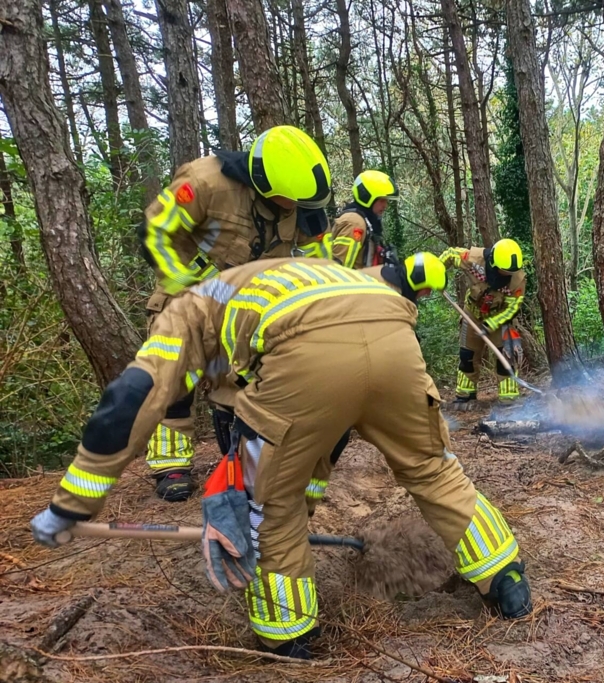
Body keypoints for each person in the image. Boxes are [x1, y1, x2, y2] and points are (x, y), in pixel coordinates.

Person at [29, 258, 533, 659]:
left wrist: (70, 505)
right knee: (433, 469)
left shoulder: (184, 311)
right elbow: (326, 404)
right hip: (393, 335)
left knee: (270, 503)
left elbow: (133, 400)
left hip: (304, 354)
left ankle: (286, 635)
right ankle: (503, 574)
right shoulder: (288, 273)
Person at [139, 126, 333, 502]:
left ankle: (236, 457)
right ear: (260, 179)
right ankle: (170, 464)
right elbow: (154, 234)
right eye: (284, 200)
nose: (290, 207)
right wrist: (196, 281)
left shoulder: (301, 201)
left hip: (247, 306)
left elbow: (316, 254)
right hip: (188, 294)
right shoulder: (205, 181)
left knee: (243, 379)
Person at [440, 239, 526, 405]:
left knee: (506, 356)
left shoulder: (518, 279)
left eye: (510, 272)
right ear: (493, 262)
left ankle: (508, 398)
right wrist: (436, 272)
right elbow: (450, 254)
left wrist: (491, 324)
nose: (507, 275)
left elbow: (514, 307)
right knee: (467, 356)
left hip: (501, 319)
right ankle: (465, 395)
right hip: (472, 313)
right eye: (503, 271)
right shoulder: (473, 259)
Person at [329, 170, 400, 269]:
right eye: (381, 200)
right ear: (367, 197)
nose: (385, 205)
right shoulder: (354, 223)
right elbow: (339, 270)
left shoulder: (366, 221)